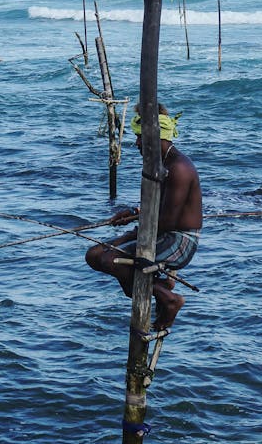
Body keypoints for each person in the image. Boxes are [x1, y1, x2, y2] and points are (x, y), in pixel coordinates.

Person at [85, 104, 202, 329]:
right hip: (157, 230)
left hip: (178, 240)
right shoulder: (160, 164)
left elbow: (167, 221)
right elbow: (157, 209)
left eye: (140, 137)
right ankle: (158, 287)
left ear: (158, 137)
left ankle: (169, 300)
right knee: (95, 254)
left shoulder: (179, 168)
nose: (137, 143)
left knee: (111, 259)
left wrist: (134, 226)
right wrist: (134, 213)